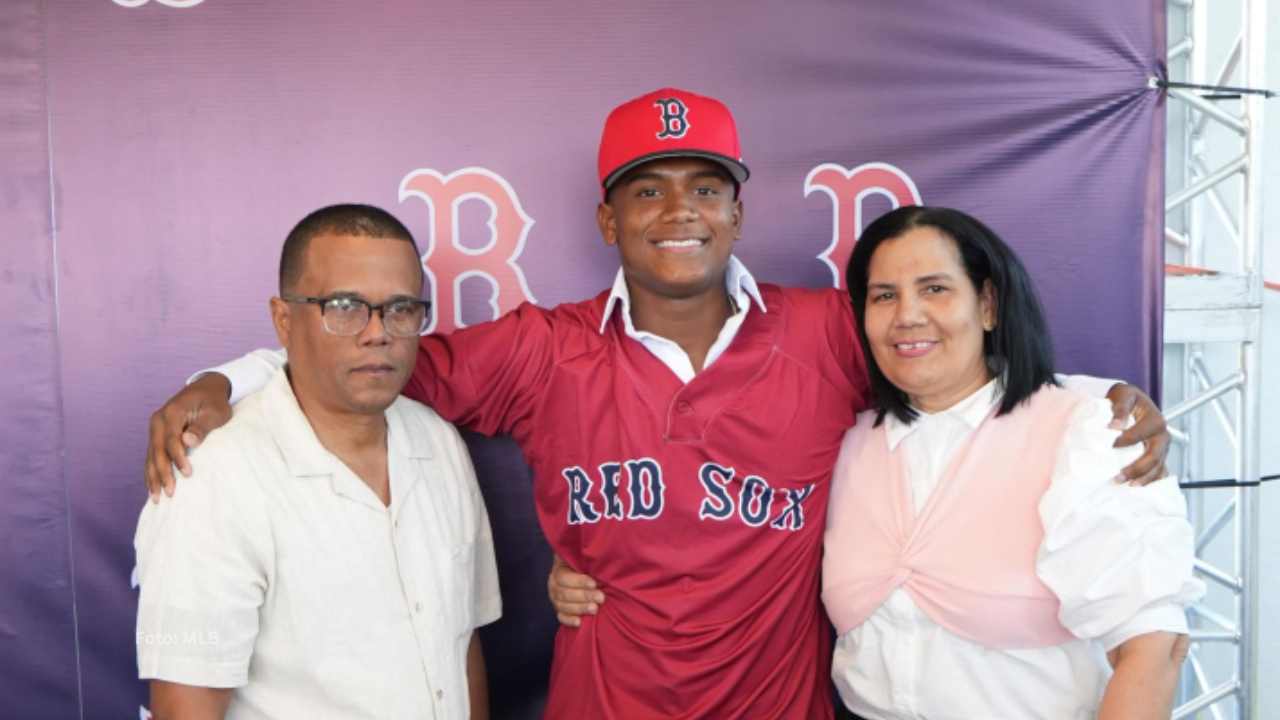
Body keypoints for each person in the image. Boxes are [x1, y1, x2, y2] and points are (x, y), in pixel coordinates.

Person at [142, 89, 1170, 719]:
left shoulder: (823, 329)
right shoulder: (542, 350)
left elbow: (951, 369)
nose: (678, 208)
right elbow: (368, 349)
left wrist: (1095, 401)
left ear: (736, 208)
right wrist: (228, 379)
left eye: (704, 185)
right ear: (606, 215)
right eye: (647, 188)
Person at [822, 206, 1201, 719]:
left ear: (988, 306)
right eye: (884, 295)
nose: (907, 315)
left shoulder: (1082, 429)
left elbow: (1152, 645)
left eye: (935, 289)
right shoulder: (846, 447)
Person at [134, 205, 501, 719]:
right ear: (283, 319)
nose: (378, 333)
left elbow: (461, 642)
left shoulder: (438, 441)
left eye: (400, 308)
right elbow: (185, 707)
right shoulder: (215, 477)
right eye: (345, 306)